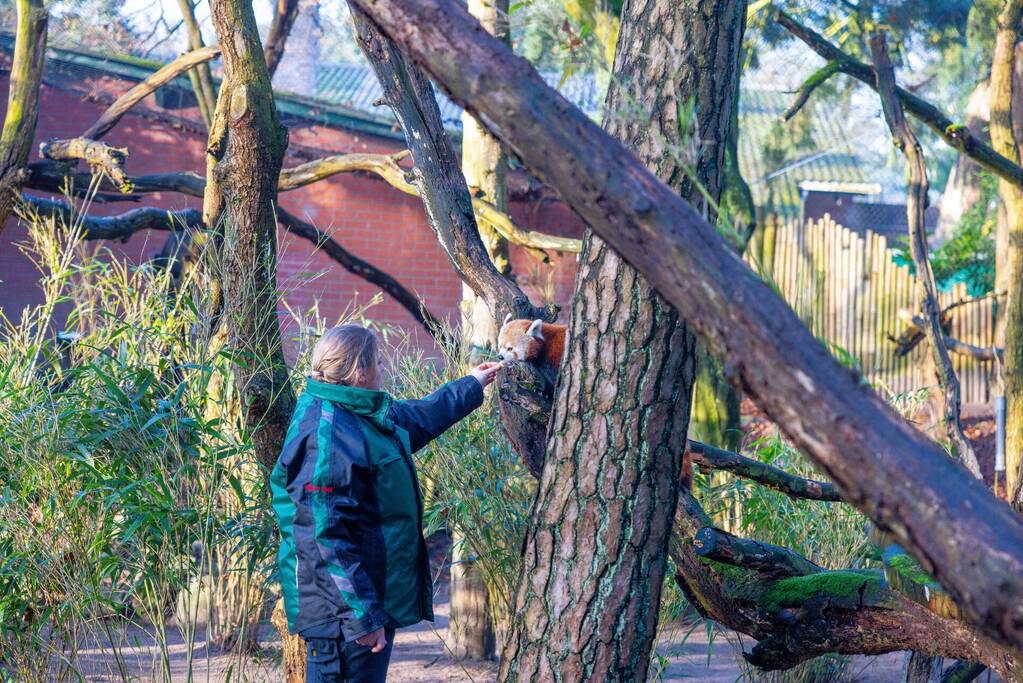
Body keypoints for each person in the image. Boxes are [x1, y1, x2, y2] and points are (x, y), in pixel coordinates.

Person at [270, 324, 501, 682]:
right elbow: (324, 539)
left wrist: (471, 385)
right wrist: (361, 618)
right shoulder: (325, 435)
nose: (382, 368)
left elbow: (417, 418)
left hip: (366, 601)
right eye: (378, 361)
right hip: (343, 618)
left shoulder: (356, 412)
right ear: (360, 371)